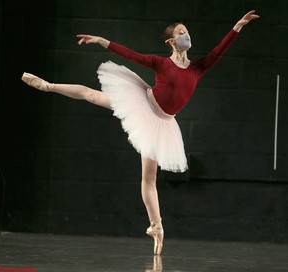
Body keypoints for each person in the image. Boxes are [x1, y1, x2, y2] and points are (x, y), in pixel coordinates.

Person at [21, 10, 260, 255]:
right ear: (171, 41)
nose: (186, 35)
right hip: (143, 105)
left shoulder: (198, 68)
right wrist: (102, 40)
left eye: (186, 31)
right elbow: (131, 55)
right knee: (92, 95)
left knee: (149, 178)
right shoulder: (161, 63)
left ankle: (156, 226)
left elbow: (218, 51)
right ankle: (48, 85)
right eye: (181, 32)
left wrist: (237, 26)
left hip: (163, 122)